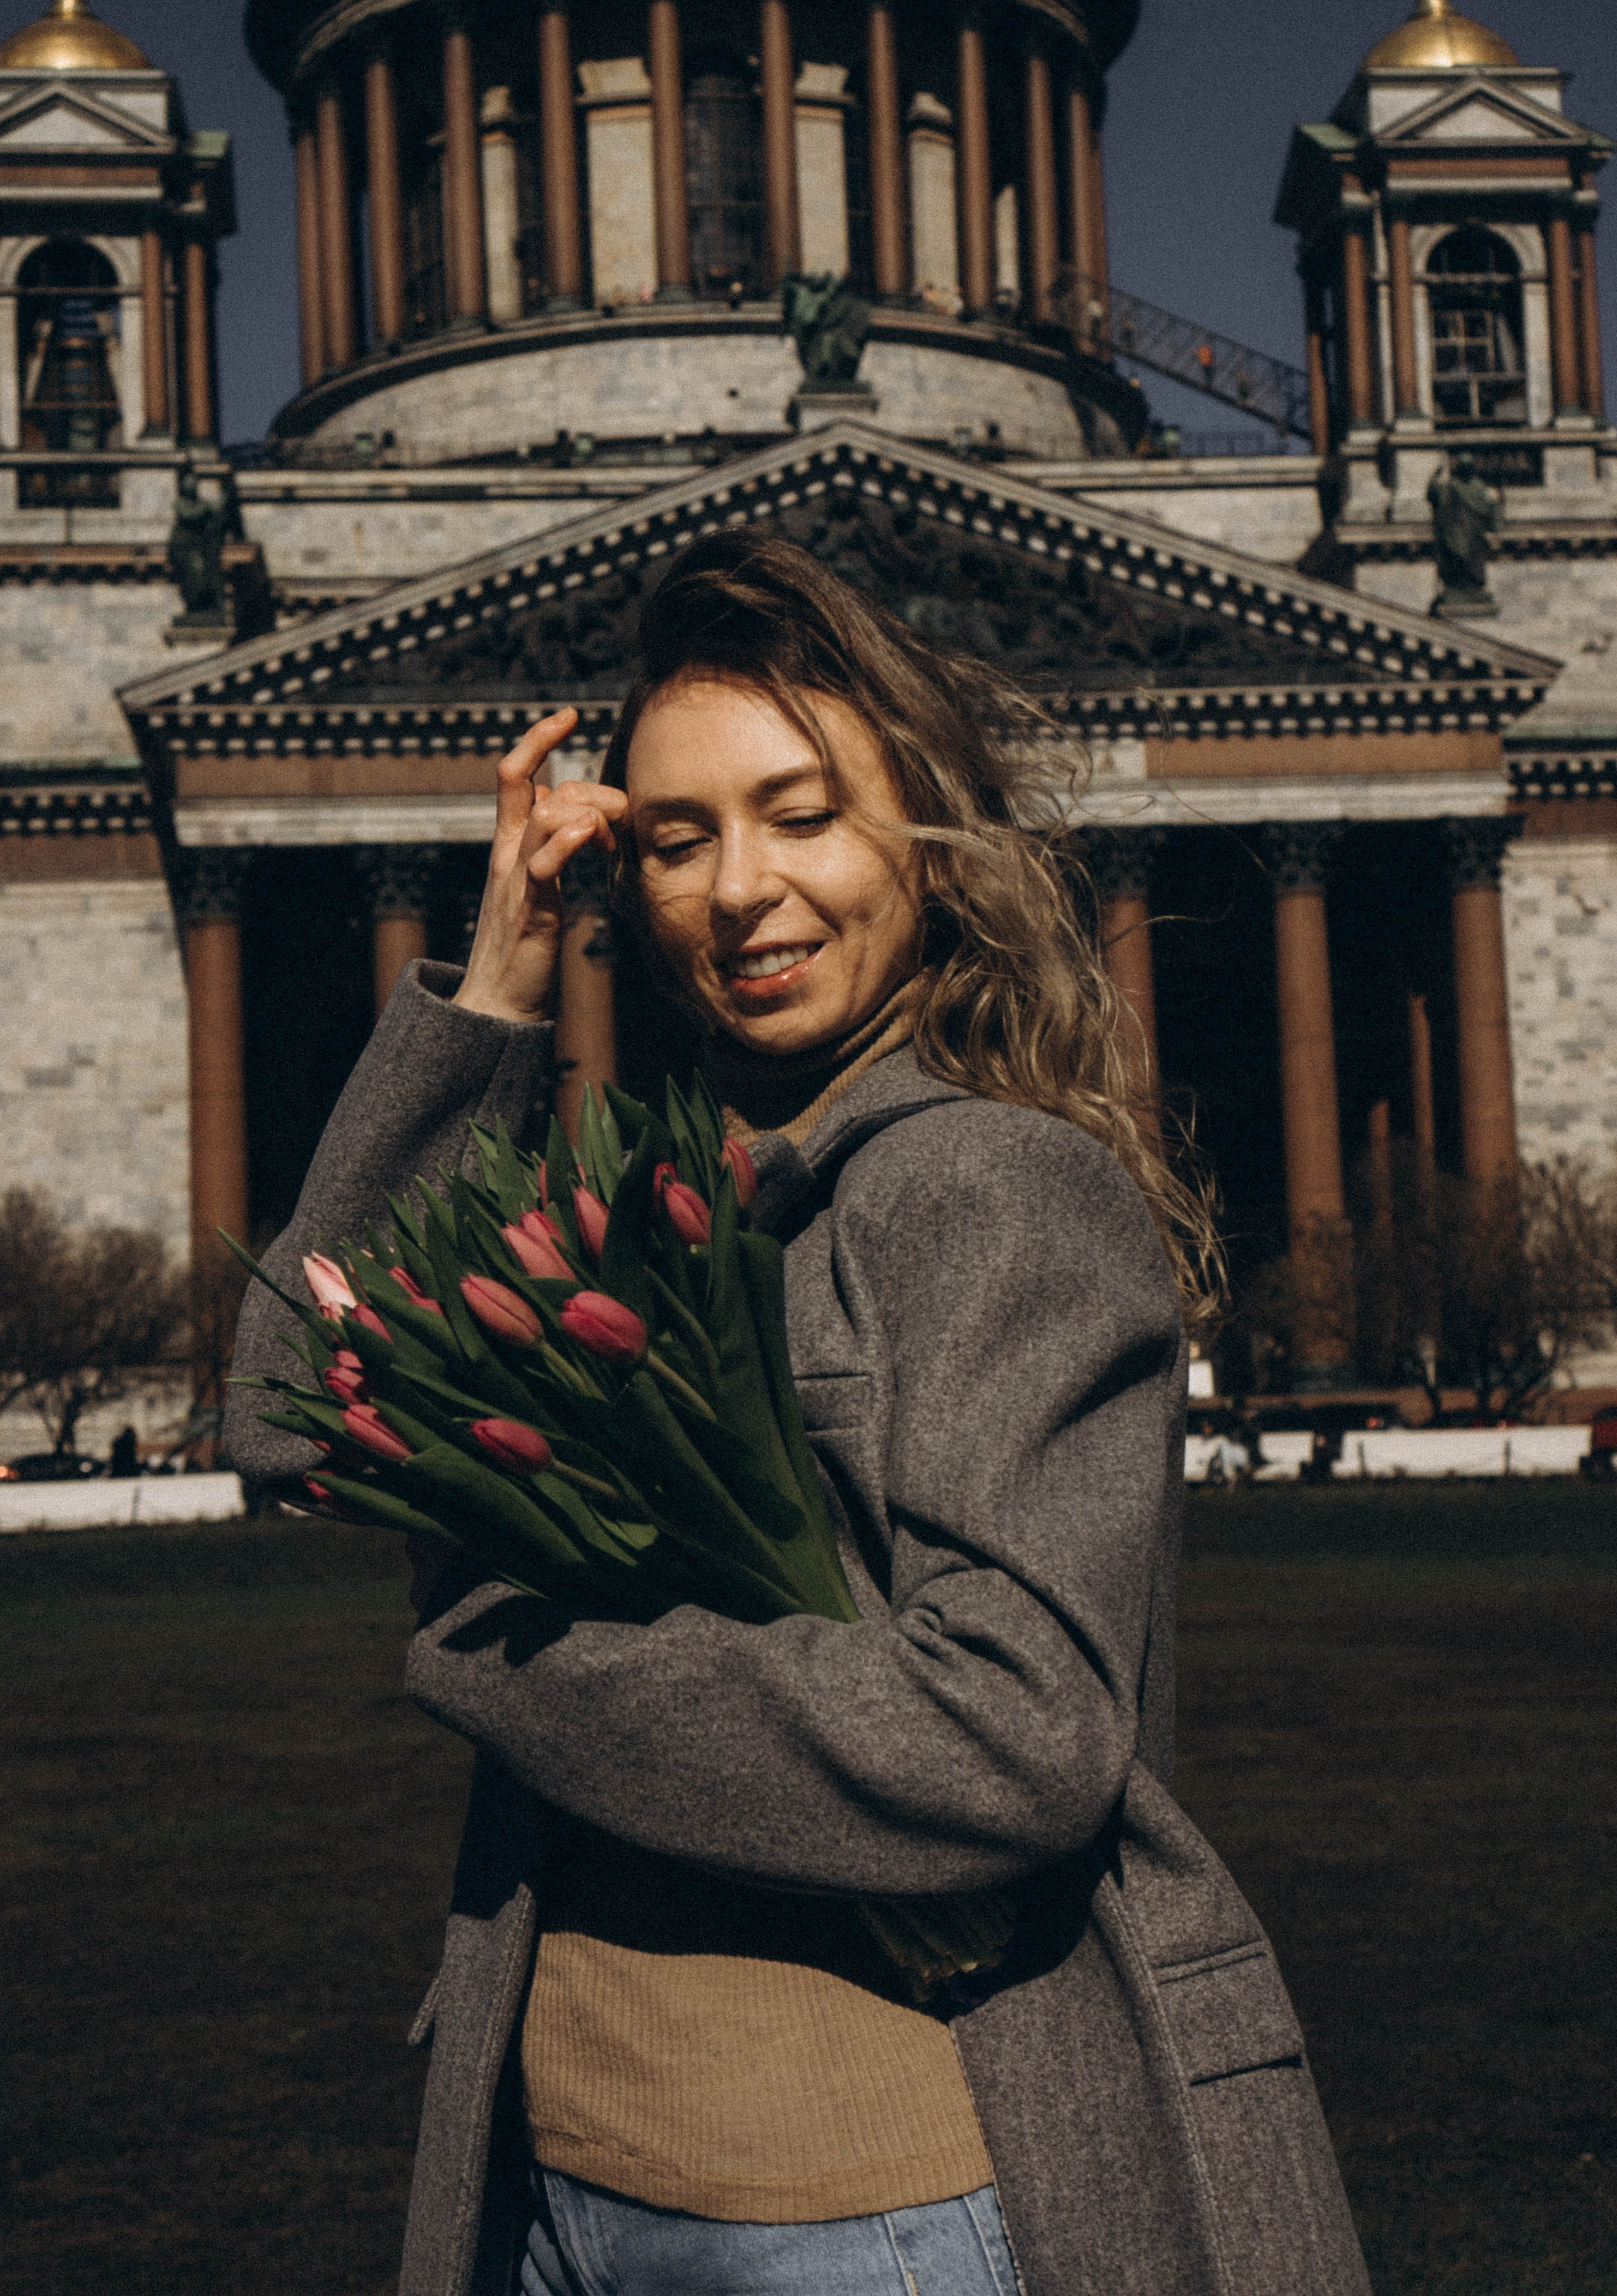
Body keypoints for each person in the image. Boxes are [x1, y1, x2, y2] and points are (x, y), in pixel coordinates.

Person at [227, 534, 1370, 2296]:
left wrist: (505, 1653)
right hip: (574, 2184)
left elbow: (1009, 1733)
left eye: (804, 813)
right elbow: (294, 1417)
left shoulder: (990, 1186)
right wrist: (502, 987)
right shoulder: (659, 1188)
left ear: (923, 833)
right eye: (678, 839)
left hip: (869, 2211)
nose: (739, 890)